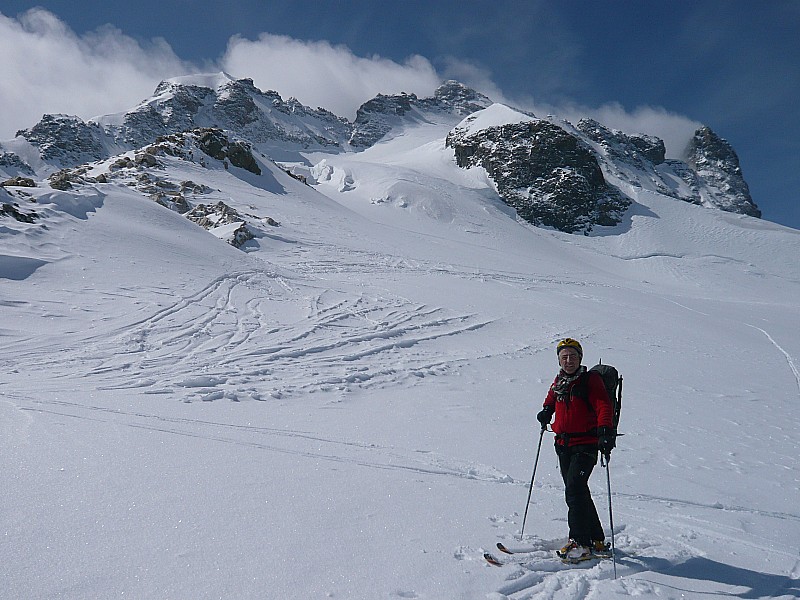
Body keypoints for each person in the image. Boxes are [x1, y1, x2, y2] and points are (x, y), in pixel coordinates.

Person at [537, 338, 615, 561]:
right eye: (564, 357)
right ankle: (597, 539)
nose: (568, 360)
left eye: (572, 356)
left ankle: (580, 542)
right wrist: (546, 411)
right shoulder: (560, 380)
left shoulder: (590, 380)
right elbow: (552, 398)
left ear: (580, 357)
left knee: (574, 489)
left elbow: (603, 405)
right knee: (578, 491)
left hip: (586, 444)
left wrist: (604, 431)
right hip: (563, 444)